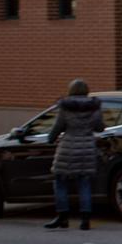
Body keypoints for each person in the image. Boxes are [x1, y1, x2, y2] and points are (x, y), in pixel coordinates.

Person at [43, 80, 104, 230]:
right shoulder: (94, 107)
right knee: (84, 182)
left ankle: (62, 217)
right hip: (87, 147)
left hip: (68, 146)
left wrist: (50, 139)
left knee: (60, 180)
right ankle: (85, 220)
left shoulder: (65, 107)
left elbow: (58, 126)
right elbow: (100, 128)